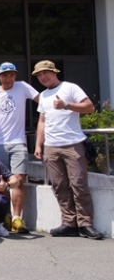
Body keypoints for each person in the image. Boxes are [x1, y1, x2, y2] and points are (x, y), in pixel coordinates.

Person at [33, 60, 102, 239]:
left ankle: (85, 224)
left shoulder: (70, 88)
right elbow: (42, 121)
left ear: (54, 72)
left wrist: (67, 105)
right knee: (59, 185)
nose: (43, 77)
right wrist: (38, 144)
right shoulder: (43, 95)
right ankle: (69, 222)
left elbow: (90, 107)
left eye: (45, 73)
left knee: (79, 184)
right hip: (51, 146)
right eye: (39, 75)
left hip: (73, 144)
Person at [0, 62, 39, 233]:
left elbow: (41, 100)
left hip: (18, 141)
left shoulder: (22, 87)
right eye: (5, 75)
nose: (8, 78)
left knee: (19, 180)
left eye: (12, 75)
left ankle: (17, 218)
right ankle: (5, 216)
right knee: (2, 181)